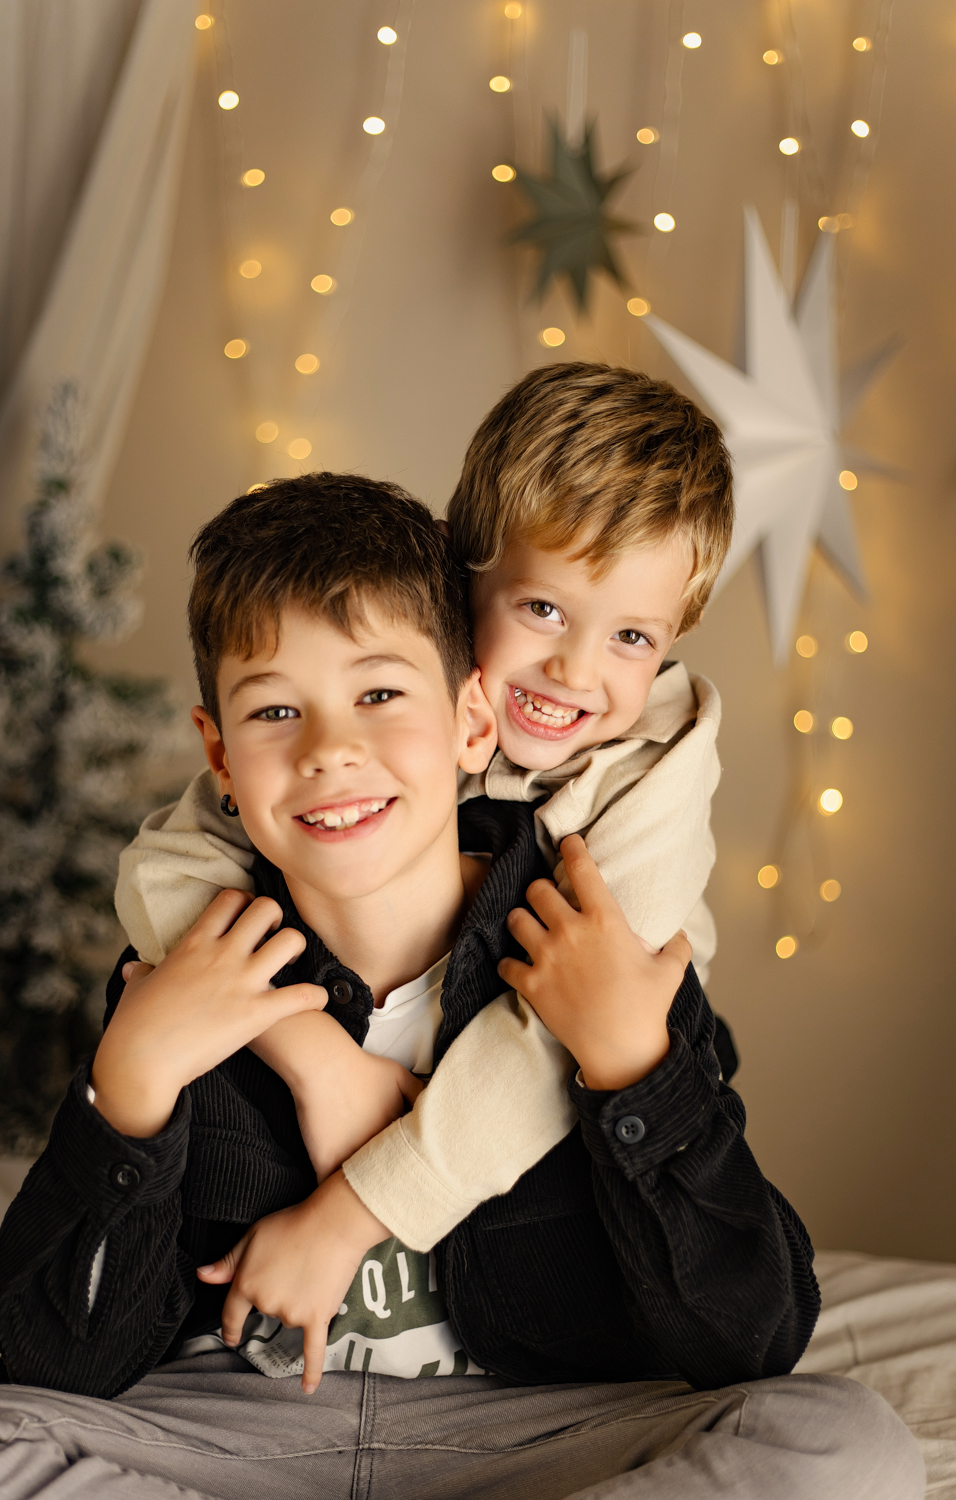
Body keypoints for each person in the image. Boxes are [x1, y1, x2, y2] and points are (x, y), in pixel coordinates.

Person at [0, 475, 922, 1499]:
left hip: (544, 1425)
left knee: (839, 1439)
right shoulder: (190, 967)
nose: (330, 750)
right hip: (232, 1430)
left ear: (472, 724)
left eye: (379, 694)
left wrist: (636, 1070)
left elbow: (752, 1336)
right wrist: (134, 1082)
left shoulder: (595, 950)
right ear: (220, 759)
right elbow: (63, 1360)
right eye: (276, 710)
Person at [114, 365, 735, 1259]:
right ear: (454, 572)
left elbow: (556, 1043)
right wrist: (310, 1051)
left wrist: (353, 1217)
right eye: (544, 609)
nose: (575, 670)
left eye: (632, 636)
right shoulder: (398, 710)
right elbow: (166, 868)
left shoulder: (656, 778)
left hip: (569, 1083)